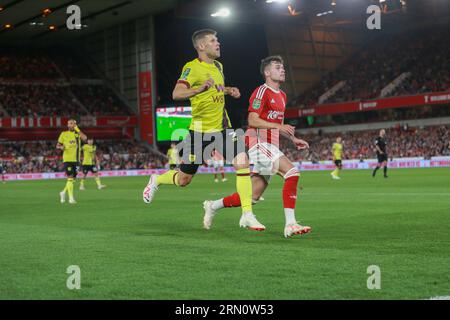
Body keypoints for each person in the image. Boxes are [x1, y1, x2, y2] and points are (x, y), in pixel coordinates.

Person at [142, 29, 264, 230]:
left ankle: (247, 213)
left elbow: (215, 89)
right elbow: (177, 93)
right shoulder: (191, 68)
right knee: (183, 180)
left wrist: (228, 90)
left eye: (217, 40)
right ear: (201, 46)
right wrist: (197, 89)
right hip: (198, 132)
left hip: (223, 129)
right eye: (213, 40)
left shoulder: (218, 66)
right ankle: (157, 179)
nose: (218, 43)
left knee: (243, 163)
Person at [203, 55, 312, 238]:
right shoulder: (261, 92)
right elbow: (252, 119)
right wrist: (279, 127)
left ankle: (212, 206)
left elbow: (279, 123)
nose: (282, 70)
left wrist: (293, 139)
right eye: (278, 67)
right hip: (257, 143)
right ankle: (291, 224)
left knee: (251, 197)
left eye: (283, 67)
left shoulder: (283, 95)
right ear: (267, 73)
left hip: (271, 144)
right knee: (292, 173)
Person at [57, 119, 87, 204]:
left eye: (72, 123)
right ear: (67, 125)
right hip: (67, 159)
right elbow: (58, 145)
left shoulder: (78, 134)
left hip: (76, 160)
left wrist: (77, 129)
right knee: (70, 177)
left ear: (75, 125)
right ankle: (71, 198)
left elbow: (85, 138)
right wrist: (61, 147)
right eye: (69, 123)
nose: (70, 125)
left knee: (72, 180)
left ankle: (63, 192)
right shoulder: (64, 134)